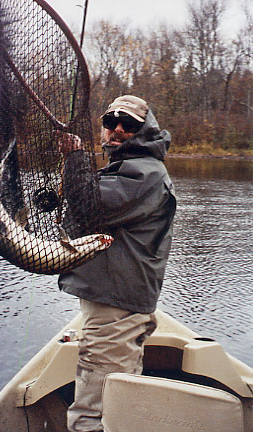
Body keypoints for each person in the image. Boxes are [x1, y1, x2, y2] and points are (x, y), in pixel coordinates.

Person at [57, 95, 176, 432]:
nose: (119, 129)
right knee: (114, 397)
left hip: (116, 307)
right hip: (117, 301)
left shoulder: (144, 171)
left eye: (131, 125)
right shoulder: (128, 168)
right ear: (103, 128)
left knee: (95, 412)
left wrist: (76, 158)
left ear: (145, 130)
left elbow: (92, 209)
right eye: (112, 122)